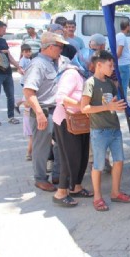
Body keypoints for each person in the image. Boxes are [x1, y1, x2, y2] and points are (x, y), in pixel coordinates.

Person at [81, 50, 130, 212]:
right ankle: (97, 197)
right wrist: (108, 107)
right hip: (99, 131)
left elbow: (112, 103)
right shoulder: (90, 83)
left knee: (118, 161)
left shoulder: (110, 83)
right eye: (110, 65)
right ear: (99, 65)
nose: (113, 69)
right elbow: (84, 108)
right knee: (98, 164)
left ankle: (115, 192)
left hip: (114, 128)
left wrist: (117, 106)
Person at [51, 46, 95, 207]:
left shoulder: (84, 74)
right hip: (66, 121)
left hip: (80, 122)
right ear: (84, 59)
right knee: (70, 157)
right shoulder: (72, 73)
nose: (93, 66)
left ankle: (76, 187)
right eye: (91, 63)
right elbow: (60, 97)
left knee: (82, 155)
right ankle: (61, 192)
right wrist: (80, 104)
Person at [23, 32, 66, 192]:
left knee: (61, 144)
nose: (61, 50)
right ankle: (40, 178)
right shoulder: (38, 64)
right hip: (44, 111)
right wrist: (40, 113)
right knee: (42, 147)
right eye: (59, 46)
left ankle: (57, 174)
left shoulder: (54, 62)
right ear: (49, 47)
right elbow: (29, 91)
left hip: (56, 110)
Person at [116, 20, 130, 99]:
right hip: (124, 64)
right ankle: (123, 103)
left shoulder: (118, 35)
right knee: (124, 86)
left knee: (119, 85)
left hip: (120, 64)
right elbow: (119, 52)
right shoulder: (122, 36)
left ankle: (120, 101)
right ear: (127, 27)